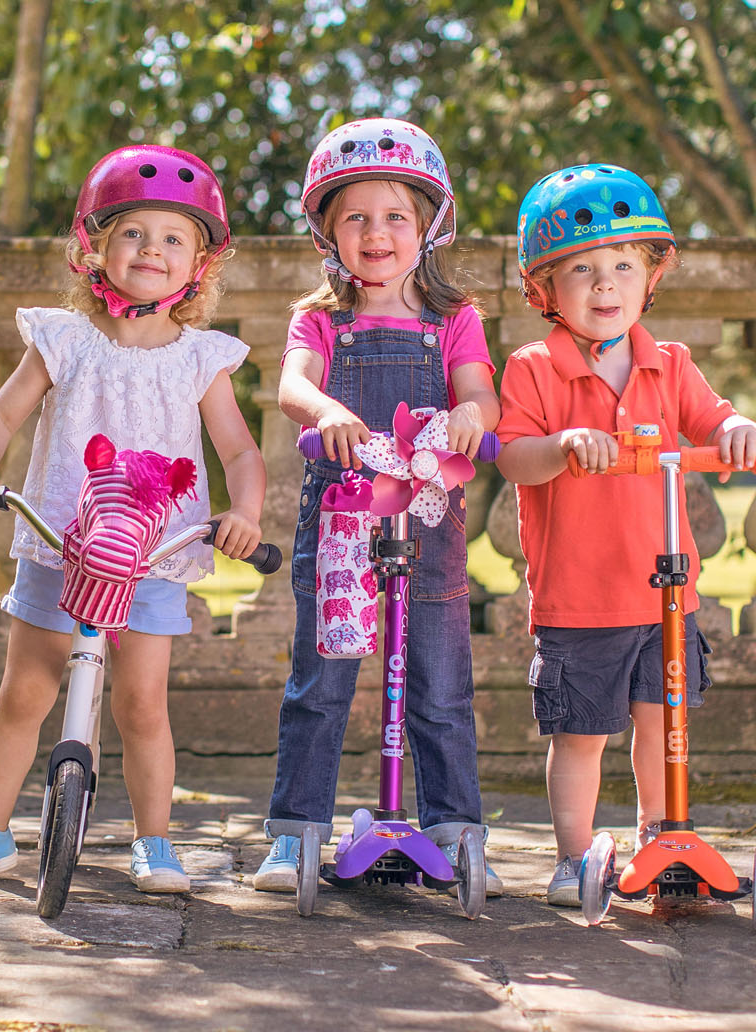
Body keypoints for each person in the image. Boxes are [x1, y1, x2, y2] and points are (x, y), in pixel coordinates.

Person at [0, 145, 265, 894]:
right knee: (26, 692)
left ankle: (156, 842)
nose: (153, 249)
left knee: (142, 705)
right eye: (135, 233)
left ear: (200, 265)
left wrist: (244, 511)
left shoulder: (199, 358)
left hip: (155, 554)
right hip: (60, 545)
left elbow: (239, 452)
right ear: (97, 247)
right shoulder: (66, 340)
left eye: (175, 238)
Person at [494, 164, 756, 907]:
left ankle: (664, 837)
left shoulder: (670, 363)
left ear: (651, 277)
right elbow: (513, 456)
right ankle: (572, 855)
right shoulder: (533, 370)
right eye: (581, 269)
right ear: (544, 290)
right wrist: (562, 447)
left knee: (664, 725)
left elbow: (713, 420)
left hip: (666, 595)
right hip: (581, 599)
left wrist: (737, 428)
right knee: (582, 736)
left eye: (623, 264)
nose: (604, 283)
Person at [252, 118, 503, 895]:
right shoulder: (321, 319)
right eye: (355, 216)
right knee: (321, 684)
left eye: (396, 215)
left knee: (439, 685)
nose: (377, 232)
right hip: (342, 517)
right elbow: (292, 383)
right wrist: (323, 410)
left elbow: (480, 394)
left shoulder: (453, 319)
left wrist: (471, 415)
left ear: (430, 226)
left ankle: (457, 833)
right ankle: (295, 836)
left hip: (427, 520)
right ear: (327, 230)